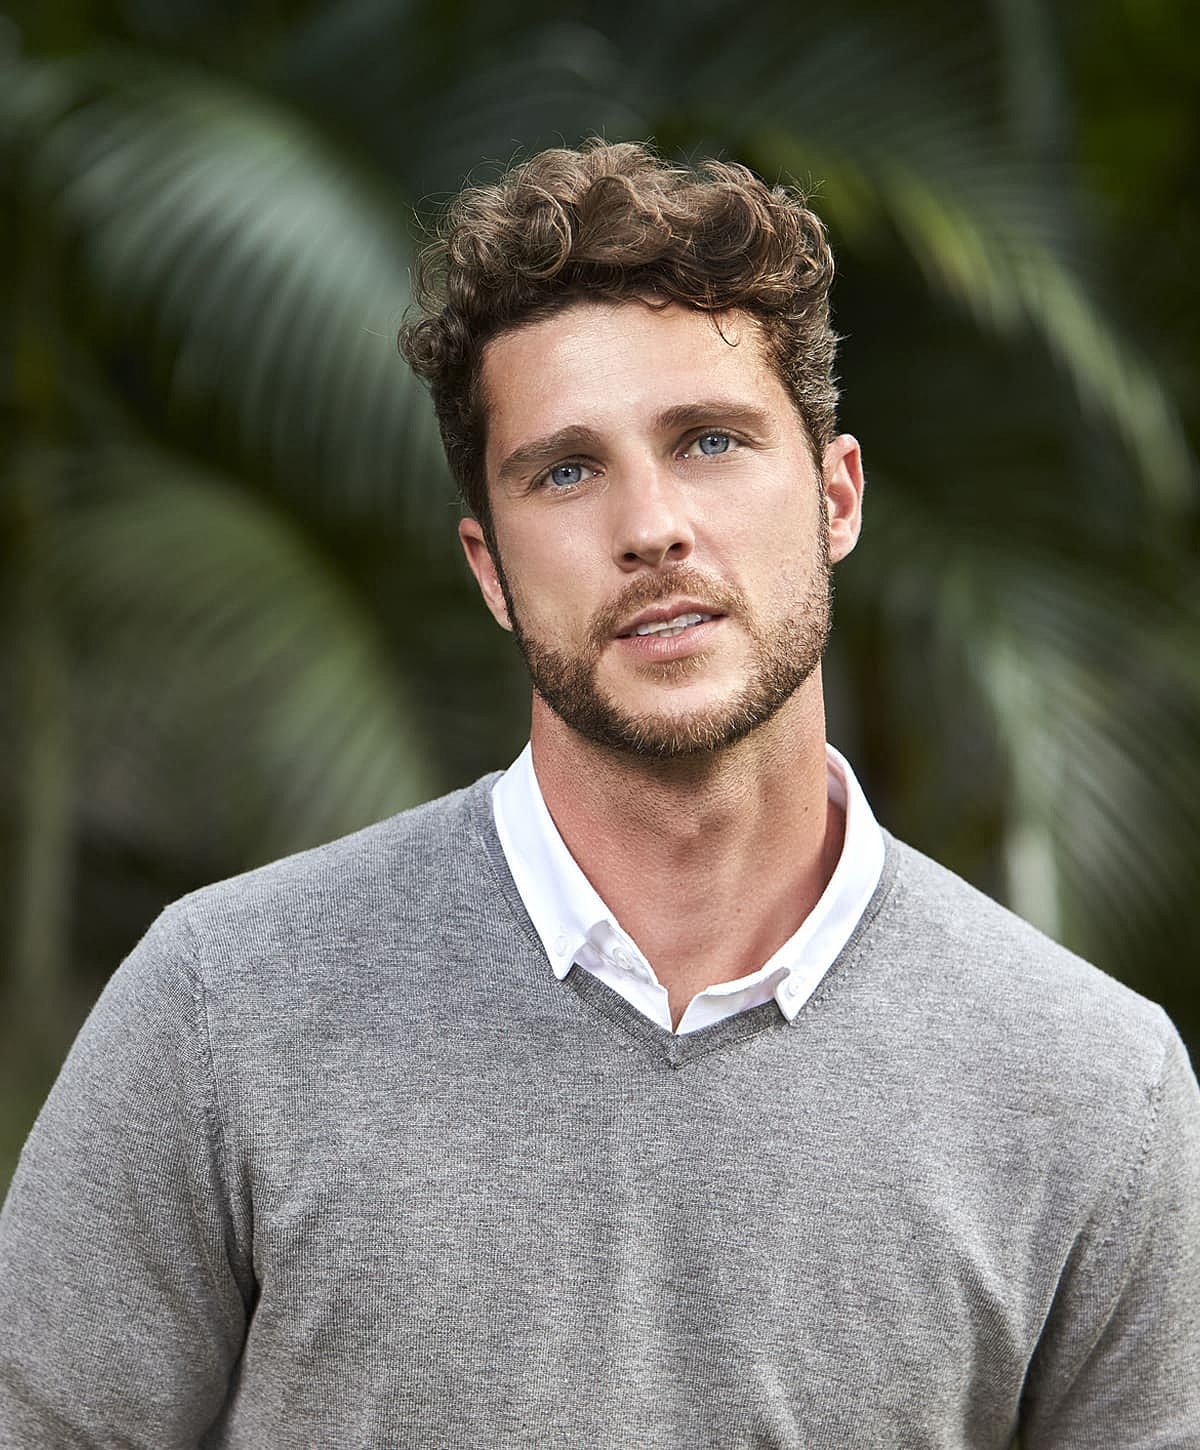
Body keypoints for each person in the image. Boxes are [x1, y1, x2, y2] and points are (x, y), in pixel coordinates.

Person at [1, 140, 1198, 1450]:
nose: (652, 524)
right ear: (492, 568)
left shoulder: (1088, 1085)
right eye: (565, 469)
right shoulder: (223, 1004)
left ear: (836, 494)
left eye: (710, 440)